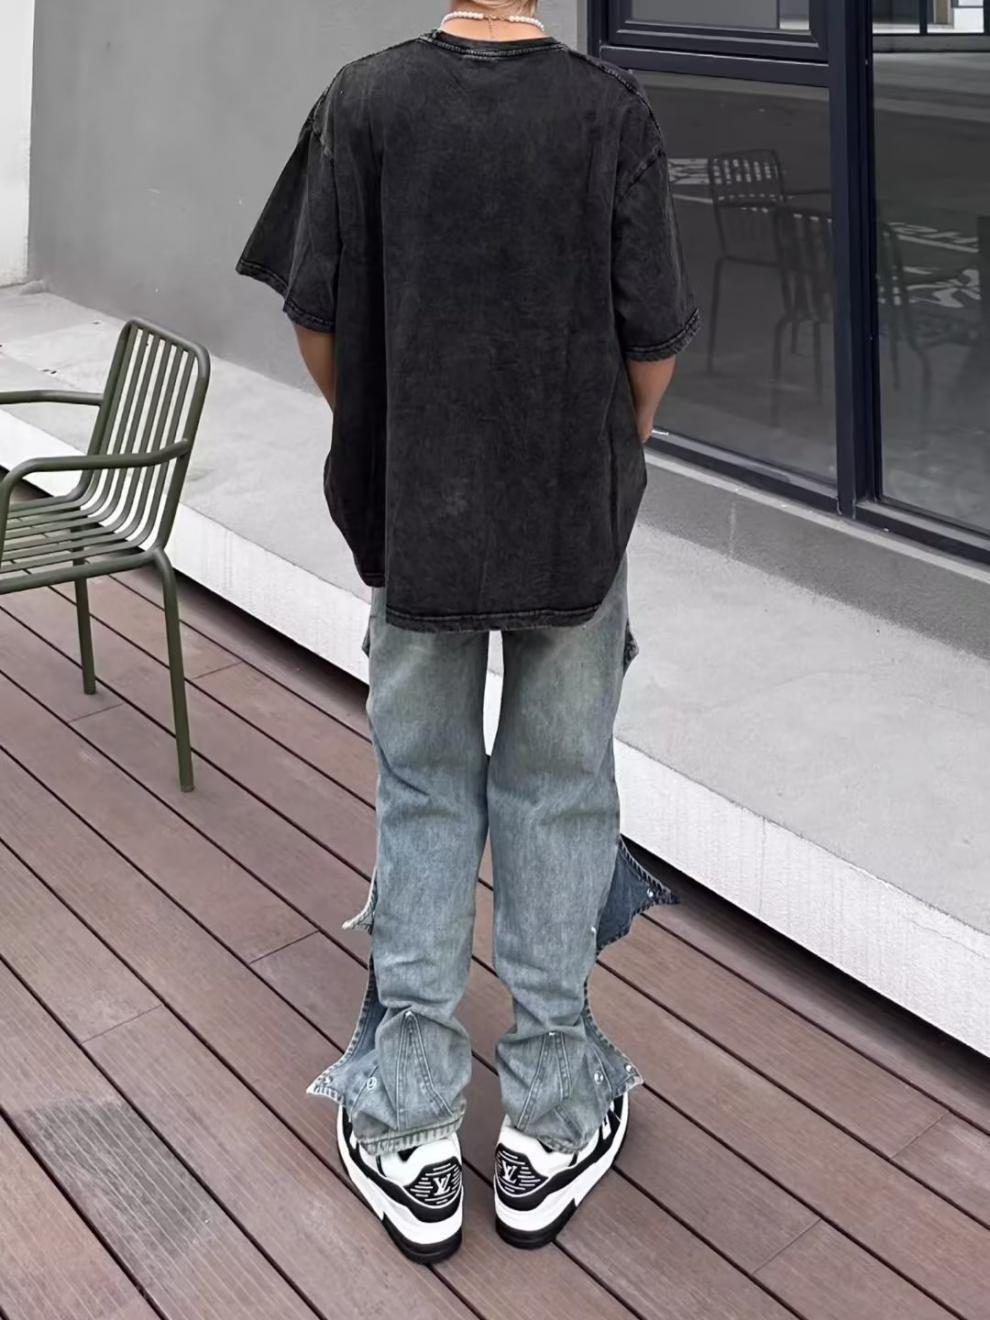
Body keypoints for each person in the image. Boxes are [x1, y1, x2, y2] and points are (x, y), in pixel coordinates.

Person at [236, 0, 698, 1265]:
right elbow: (652, 343)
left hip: (416, 517)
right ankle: (552, 1112)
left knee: (424, 793)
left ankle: (411, 1120)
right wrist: (608, 450)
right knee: (560, 794)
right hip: (571, 518)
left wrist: (396, 428)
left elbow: (316, 320)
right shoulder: (610, 111)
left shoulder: (365, 100)